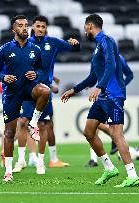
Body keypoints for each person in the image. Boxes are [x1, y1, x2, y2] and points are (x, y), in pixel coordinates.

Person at [61, 14, 139, 187]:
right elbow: (93, 76)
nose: (84, 30)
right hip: (103, 96)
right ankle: (109, 168)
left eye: (84, 27)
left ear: (89, 26)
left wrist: (100, 87)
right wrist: (74, 90)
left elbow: (112, 65)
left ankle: (132, 175)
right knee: (89, 132)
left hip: (113, 94)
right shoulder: (97, 47)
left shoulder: (106, 41)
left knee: (116, 134)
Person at [12, 15, 80, 174]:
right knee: (22, 122)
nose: (40, 29)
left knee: (44, 125)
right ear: (32, 27)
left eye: (43, 27)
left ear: (46, 28)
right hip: (28, 89)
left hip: (44, 91)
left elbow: (73, 49)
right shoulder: (26, 43)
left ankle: (42, 161)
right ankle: (22, 160)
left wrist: (75, 44)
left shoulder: (53, 42)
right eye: (37, 26)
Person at [0, 15, 50, 182]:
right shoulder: (4, 49)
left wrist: (35, 74)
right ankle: (8, 171)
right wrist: (3, 77)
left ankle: (33, 123)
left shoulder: (35, 49)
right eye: (21, 25)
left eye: (26, 25)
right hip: (12, 92)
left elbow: (40, 70)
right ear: (13, 30)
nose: (25, 28)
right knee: (9, 132)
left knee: (45, 91)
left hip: (29, 88)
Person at [86, 54, 134, 167]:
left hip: (113, 98)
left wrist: (120, 87)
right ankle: (94, 159)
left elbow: (130, 75)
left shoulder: (118, 58)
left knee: (113, 131)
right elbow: (93, 77)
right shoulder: (96, 57)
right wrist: (88, 84)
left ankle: (97, 159)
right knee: (94, 126)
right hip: (101, 96)